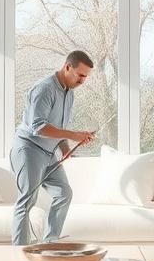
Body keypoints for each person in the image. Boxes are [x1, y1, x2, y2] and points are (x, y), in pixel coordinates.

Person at [10, 50, 95, 245]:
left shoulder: (69, 94)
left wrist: (65, 148)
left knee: (64, 193)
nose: (83, 80)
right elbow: (38, 127)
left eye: (86, 77)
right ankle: (18, 256)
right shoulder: (44, 89)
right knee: (26, 202)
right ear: (67, 67)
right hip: (29, 149)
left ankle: (50, 244)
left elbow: (59, 127)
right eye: (81, 75)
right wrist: (75, 135)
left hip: (49, 153)